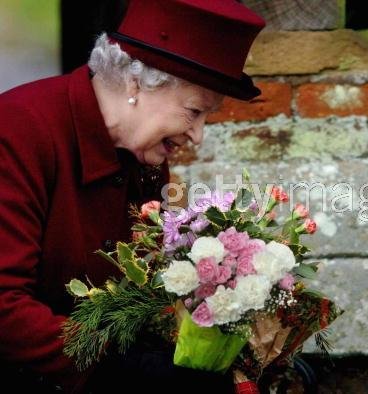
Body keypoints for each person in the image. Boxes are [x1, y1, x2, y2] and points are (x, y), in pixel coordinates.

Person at [0, 0, 265, 392]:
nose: (198, 135)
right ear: (136, 83)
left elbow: (143, 287)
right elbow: (4, 307)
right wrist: (123, 367)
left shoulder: (145, 157)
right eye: (194, 111)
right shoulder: (18, 130)